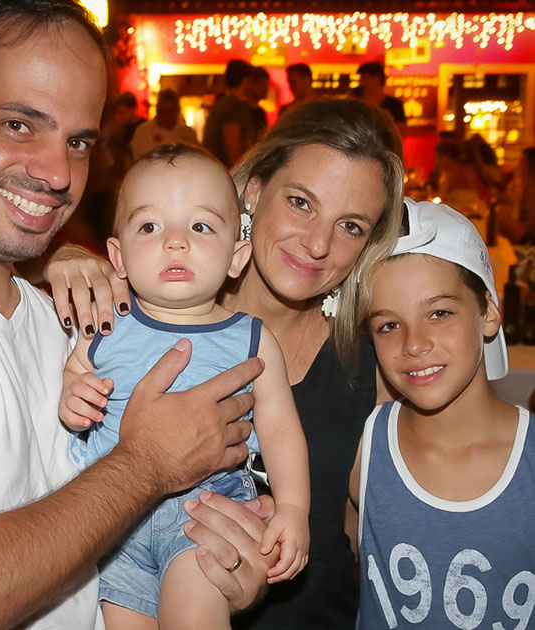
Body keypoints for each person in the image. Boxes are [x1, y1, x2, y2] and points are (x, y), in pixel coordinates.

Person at [0, 2, 274, 628]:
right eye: (19, 125)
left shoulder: (59, 315)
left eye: (77, 142)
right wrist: (148, 465)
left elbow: (89, 532)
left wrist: (216, 562)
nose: (58, 174)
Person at [45, 97, 406, 629]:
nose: (317, 243)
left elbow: (377, 539)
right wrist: (56, 256)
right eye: (301, 202)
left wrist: (286, 520)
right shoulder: (121, 304)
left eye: (351, 226)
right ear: (254, 193)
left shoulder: (372, 365)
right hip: (125, 550)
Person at [60, 144, 310, 629]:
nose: (175, 243)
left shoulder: (252, 340)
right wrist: (73, 395)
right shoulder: (107, 323)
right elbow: (74, 371)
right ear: (118, 257)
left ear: (236, 257)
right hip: (112, 522)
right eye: (150, 227)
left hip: (207, 515)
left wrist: (294, 508)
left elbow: (280, 430)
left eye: (200, 227)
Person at [349, 199, 535, 629]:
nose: (414, 343)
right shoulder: (363, 450)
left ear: (488, 312)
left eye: (439, 313)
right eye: (388, 325)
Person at [203, 59, 256, 167]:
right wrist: (240, 170)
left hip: (214, 167)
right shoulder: (235, 106)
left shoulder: (220, 104)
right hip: (228, 169)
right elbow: (232, 146)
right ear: (245, 80)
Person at [131, 89, 198, 161]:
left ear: (177, 110)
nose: (166, 115)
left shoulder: (188, 133)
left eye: (170, 110)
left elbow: (195, 157)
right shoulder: (143, 131)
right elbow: (137, 159)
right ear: (157, 109)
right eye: (162, 110)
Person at [357, 61, 407, 134]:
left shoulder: (394, 104)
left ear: (377, 78)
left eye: (364, 77)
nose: (361, 82)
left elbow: (400, 131)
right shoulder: (357, 103)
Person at [246, 66, 270, 141]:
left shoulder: (261, 111)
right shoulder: (241, 110)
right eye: (261, 85)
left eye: (266, 85)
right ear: (249, 85)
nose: (265, 89)